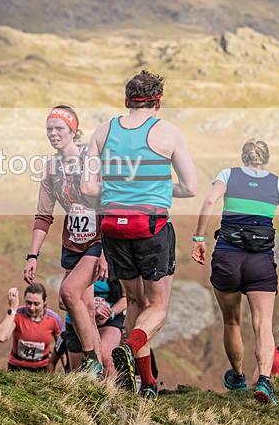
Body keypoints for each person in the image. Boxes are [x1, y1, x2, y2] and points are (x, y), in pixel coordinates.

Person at [82, 71, 197, 400]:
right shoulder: (167, 132)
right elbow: (190, 187)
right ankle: (130, 348)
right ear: (158, 102)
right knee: (158, 306)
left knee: (135, 301)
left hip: (114, 229)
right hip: (152, 229)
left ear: (126, 101)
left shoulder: (103, 131)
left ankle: (146, 385)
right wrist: (154, 189)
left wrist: (117, 192)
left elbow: (88, 188)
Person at [192, 139, 279, 404]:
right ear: (266, 159)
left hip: (227, 257)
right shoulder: (277, 183)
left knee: (232, 321)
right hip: (260, 262)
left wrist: (199, 238)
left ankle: (239, 377)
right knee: (262, 324)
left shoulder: (227, 175)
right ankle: (264, 381)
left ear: (243, 157)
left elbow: (209, 201)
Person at [23, 105, 108, 376]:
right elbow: (43, 215)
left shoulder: (91, 159)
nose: (53, 133)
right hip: (72, 243)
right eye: (49, 128)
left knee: (68, 293)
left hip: (98, 240)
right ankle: (103, 381)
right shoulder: (51, 169)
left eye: (59, 128)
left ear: (73, 130)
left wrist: (106, 251)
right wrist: (32, 255)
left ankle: (91, 360)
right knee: (84, 308)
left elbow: (111, 202)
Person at [64, 277, 126, 378]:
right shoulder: (75, 268)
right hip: (79, 319)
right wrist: (91, 310)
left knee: (105, 358)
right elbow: (62, 301)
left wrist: (109, 313)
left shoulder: (117, 268)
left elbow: (126, 298)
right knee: (79, 371)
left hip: (109, 317)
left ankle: (109, 387)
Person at [0, 283, 61, 372]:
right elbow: (2, 337)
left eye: (36, 304)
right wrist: (13, 308)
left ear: (44, 302)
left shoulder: (53, 319)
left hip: (42, 369)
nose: (32, 307)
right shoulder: (16, 314)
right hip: (16, 367)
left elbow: (62, 347)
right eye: (28, 303)